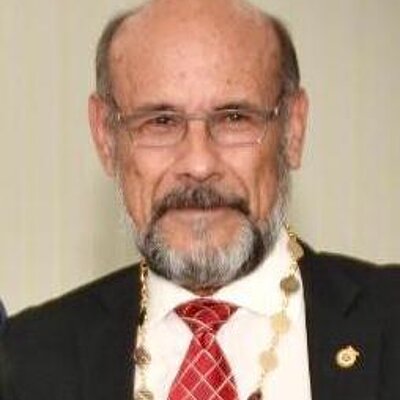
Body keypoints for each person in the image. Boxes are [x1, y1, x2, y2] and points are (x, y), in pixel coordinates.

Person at [1, 0, 399, 399]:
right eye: (160, 122)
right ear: (106, 138)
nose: (199, 163)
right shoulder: (25, 361)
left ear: (293, 130)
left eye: (234, 118)